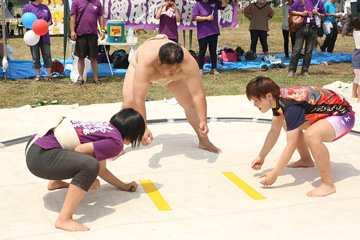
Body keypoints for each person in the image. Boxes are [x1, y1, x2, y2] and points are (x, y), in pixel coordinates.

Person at [25, 108, 146, 231]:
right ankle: (64, 219)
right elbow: (80, 151)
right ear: (134, 134)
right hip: (40, 159)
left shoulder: (105, 129)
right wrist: (91, 180)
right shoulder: (116, 143)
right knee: (89, 165)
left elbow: (102, 170)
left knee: (86, 160)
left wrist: (123, 186)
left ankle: (56, 182)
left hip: (35, 147)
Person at [246, 76, 355, 197]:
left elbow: (291, 145)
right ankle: (306, 160)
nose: (255, 104)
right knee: (288, 124)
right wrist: (261, 156)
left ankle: (328, 184)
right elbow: (274, 131)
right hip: (326, 113)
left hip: (344, 115)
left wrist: (275, 173)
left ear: (269, 96)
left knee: (311, 135)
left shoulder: (290, 106)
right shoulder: (278, 99)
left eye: (256, 100)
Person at [122, 36, 221, 154]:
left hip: (173, 76)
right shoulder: (145, 64)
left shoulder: (188, 62)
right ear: (159, 60)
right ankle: (116, 145)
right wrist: (143, 128)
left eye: (178, 67)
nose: (173, 71)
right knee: (129, 103)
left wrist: (203, 120)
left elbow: (198, 94)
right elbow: (139, 99)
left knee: (189, 103)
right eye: (169, 68)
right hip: (141, 63)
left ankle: (204, 141)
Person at [70, 0, 105, 85]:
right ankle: (81, 78)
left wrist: (102, 30)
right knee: (81, 57)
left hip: (93, 34)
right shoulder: (76, 2)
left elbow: (100, 16)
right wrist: (72, 31)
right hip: (80, 34)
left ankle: (96, 78)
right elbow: (73, 17)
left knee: (93, 58)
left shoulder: (97, 2)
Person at [287, 0, 326, 77]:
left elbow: (324, 15)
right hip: (301, 27)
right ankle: (292, 70)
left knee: (309, 50)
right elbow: (290, 11)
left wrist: (317, 13)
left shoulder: (319, 2)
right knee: (297, 49)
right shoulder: (299, 1)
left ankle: (305, 70)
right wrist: (301, 13)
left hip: (313, 28)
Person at [192, 0, 228, 76]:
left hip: (213, 31)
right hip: (203, 32)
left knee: (213, 51)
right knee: (202, 51)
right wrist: (206, 18)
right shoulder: (197, 4)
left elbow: (224, 4)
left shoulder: (214, 2)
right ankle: (200, 69)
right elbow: (194, 17)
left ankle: (214, 69)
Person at [22, 0, 53, 82]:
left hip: (44, 36)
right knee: (35, 56)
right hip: (32, 36)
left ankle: (49, 76)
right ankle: (38, 76)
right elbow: (24, 21)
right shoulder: (27, 7)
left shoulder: (45, 7)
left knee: (47, 55)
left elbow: (50, 20)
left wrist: (44, 25)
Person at [351, 16, 360, 102]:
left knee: (357, 76)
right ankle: (359, 98)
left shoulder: (354, 31)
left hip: (356, 54)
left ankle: (354, 93)